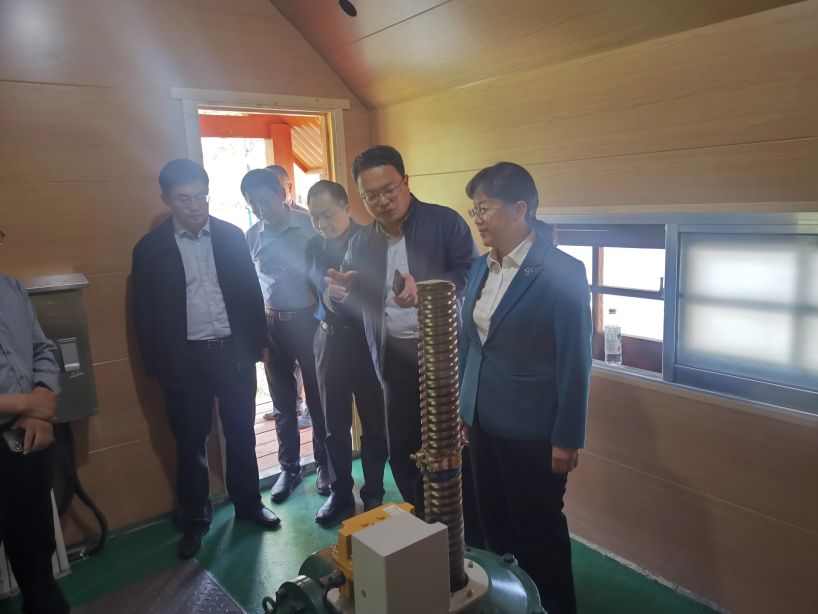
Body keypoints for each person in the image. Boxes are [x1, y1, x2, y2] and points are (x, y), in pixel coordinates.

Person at [458, 162, 592, 614]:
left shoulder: (562, 270)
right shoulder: (479, 268)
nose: (477, 219)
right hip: (483, 422)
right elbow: (470, 343)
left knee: (539, 532)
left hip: (534, 429)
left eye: (484, 208)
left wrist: (568, 437)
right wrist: (464, 408)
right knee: (493, 523)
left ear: (520, 209)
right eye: (474, 209)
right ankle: (509, 603)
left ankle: (554, 606)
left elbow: (576, 359)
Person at [131, 159, 281, 560]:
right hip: (183, 360)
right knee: (190, 441)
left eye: (201, 196)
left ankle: (249, 504)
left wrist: (259, 342)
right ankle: (196, 518)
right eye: (184, 199)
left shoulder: (231, 236)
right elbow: (143, 313)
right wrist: (156, 366)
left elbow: (250, 291)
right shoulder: (150, 249)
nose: (195, 205)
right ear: (166, 199)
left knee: (242, 432)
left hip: (232, 352)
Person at [325, 145, 478, 518]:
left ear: (405, 182)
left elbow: (471, 275)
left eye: (389, 189)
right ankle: (424, 519)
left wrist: (426, 290)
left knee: (456, 445)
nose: (383, 201)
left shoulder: (445, 222)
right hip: (393, 355)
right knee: (403, 447)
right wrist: (335, 295)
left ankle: (467, 526)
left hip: (446, 354)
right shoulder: (361, 242)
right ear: (360, 197)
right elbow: (351, 291)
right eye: (371, 195)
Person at [242, 169, 330, 504]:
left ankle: (324, 465)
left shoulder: (310, 225)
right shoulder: (251, 236)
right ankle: (289, 469)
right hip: (273, 325)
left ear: (282, 193)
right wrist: (258, 337)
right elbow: (251, 289)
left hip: (309, 321)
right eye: (253, 203)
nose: (260, 208)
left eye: (265, 199)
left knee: (319, 400)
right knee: (282, 404)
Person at [306, 181, 389, 525]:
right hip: (328, 341)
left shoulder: (372, 242)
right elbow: (313, 290)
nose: (321, 223)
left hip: (366, 341)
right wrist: (327, 301)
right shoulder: (312, 246)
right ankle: (340, 493)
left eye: (327, 214)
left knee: (375, 423)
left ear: (346, 207)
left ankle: (374, 493)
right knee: (332, 425)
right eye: (314, 217)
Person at [0, 265, 70, 614]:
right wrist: (27, 404)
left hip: (22, 434)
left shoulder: (10, 288)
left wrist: (38, 410)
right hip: (18, 417)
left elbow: (42, 349)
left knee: (34, 541)